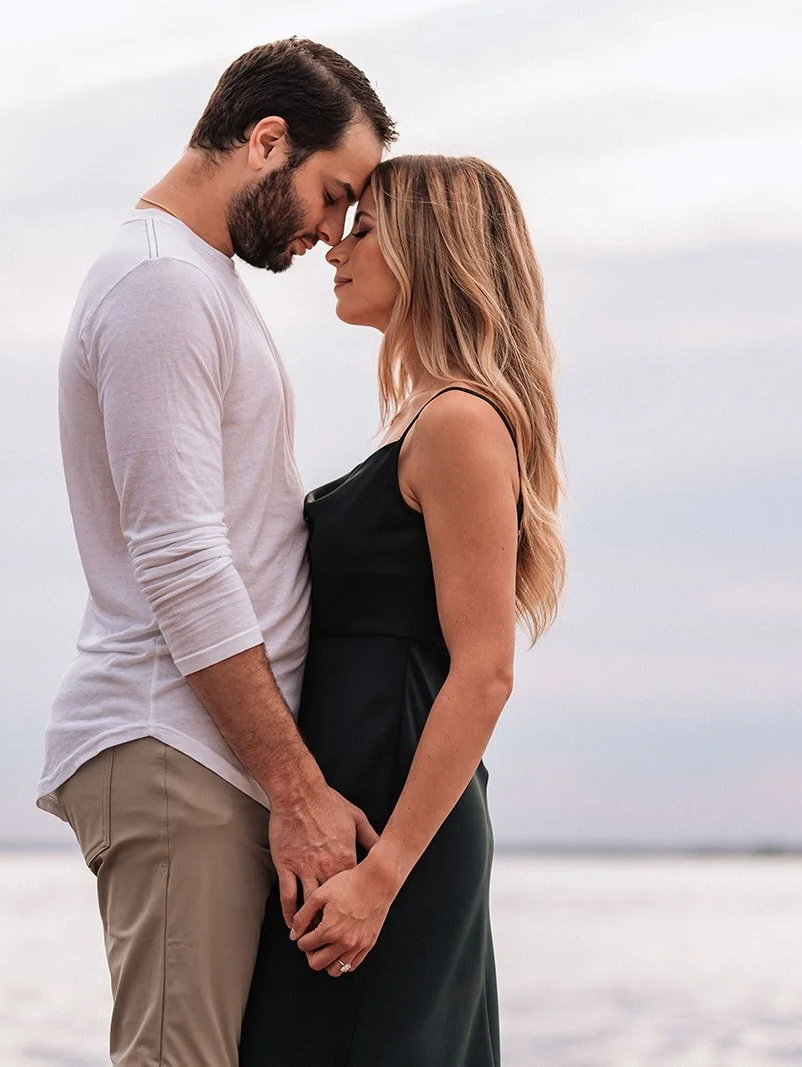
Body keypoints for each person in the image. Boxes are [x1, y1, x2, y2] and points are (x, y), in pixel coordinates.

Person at [35, 39, 396, 1067]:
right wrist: (296, 787)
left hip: (205, 751)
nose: (331, 231)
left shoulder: (193, 283)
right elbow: (182, 556)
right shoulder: (160, 287)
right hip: (173, 745)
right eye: (332, 196)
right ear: (266, 142)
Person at [240, 155, 567, 1066]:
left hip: (397, 833)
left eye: (367, 227)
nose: (336, 247)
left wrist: (382, 878)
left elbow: (487, 668)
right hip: (356, 815)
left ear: (434, 251)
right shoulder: (422, 419)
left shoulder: (460, 423)